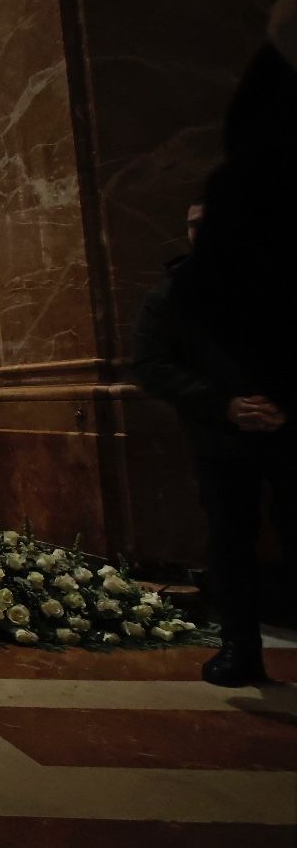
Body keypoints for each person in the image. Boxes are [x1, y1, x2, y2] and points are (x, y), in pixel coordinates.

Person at [133, 203, 295, 687]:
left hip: (289, 433)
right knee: (230, 541)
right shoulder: (171, 294)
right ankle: (240, 648)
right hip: (220, 439)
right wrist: (223, 404)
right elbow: (151, 364)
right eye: (194, 225)